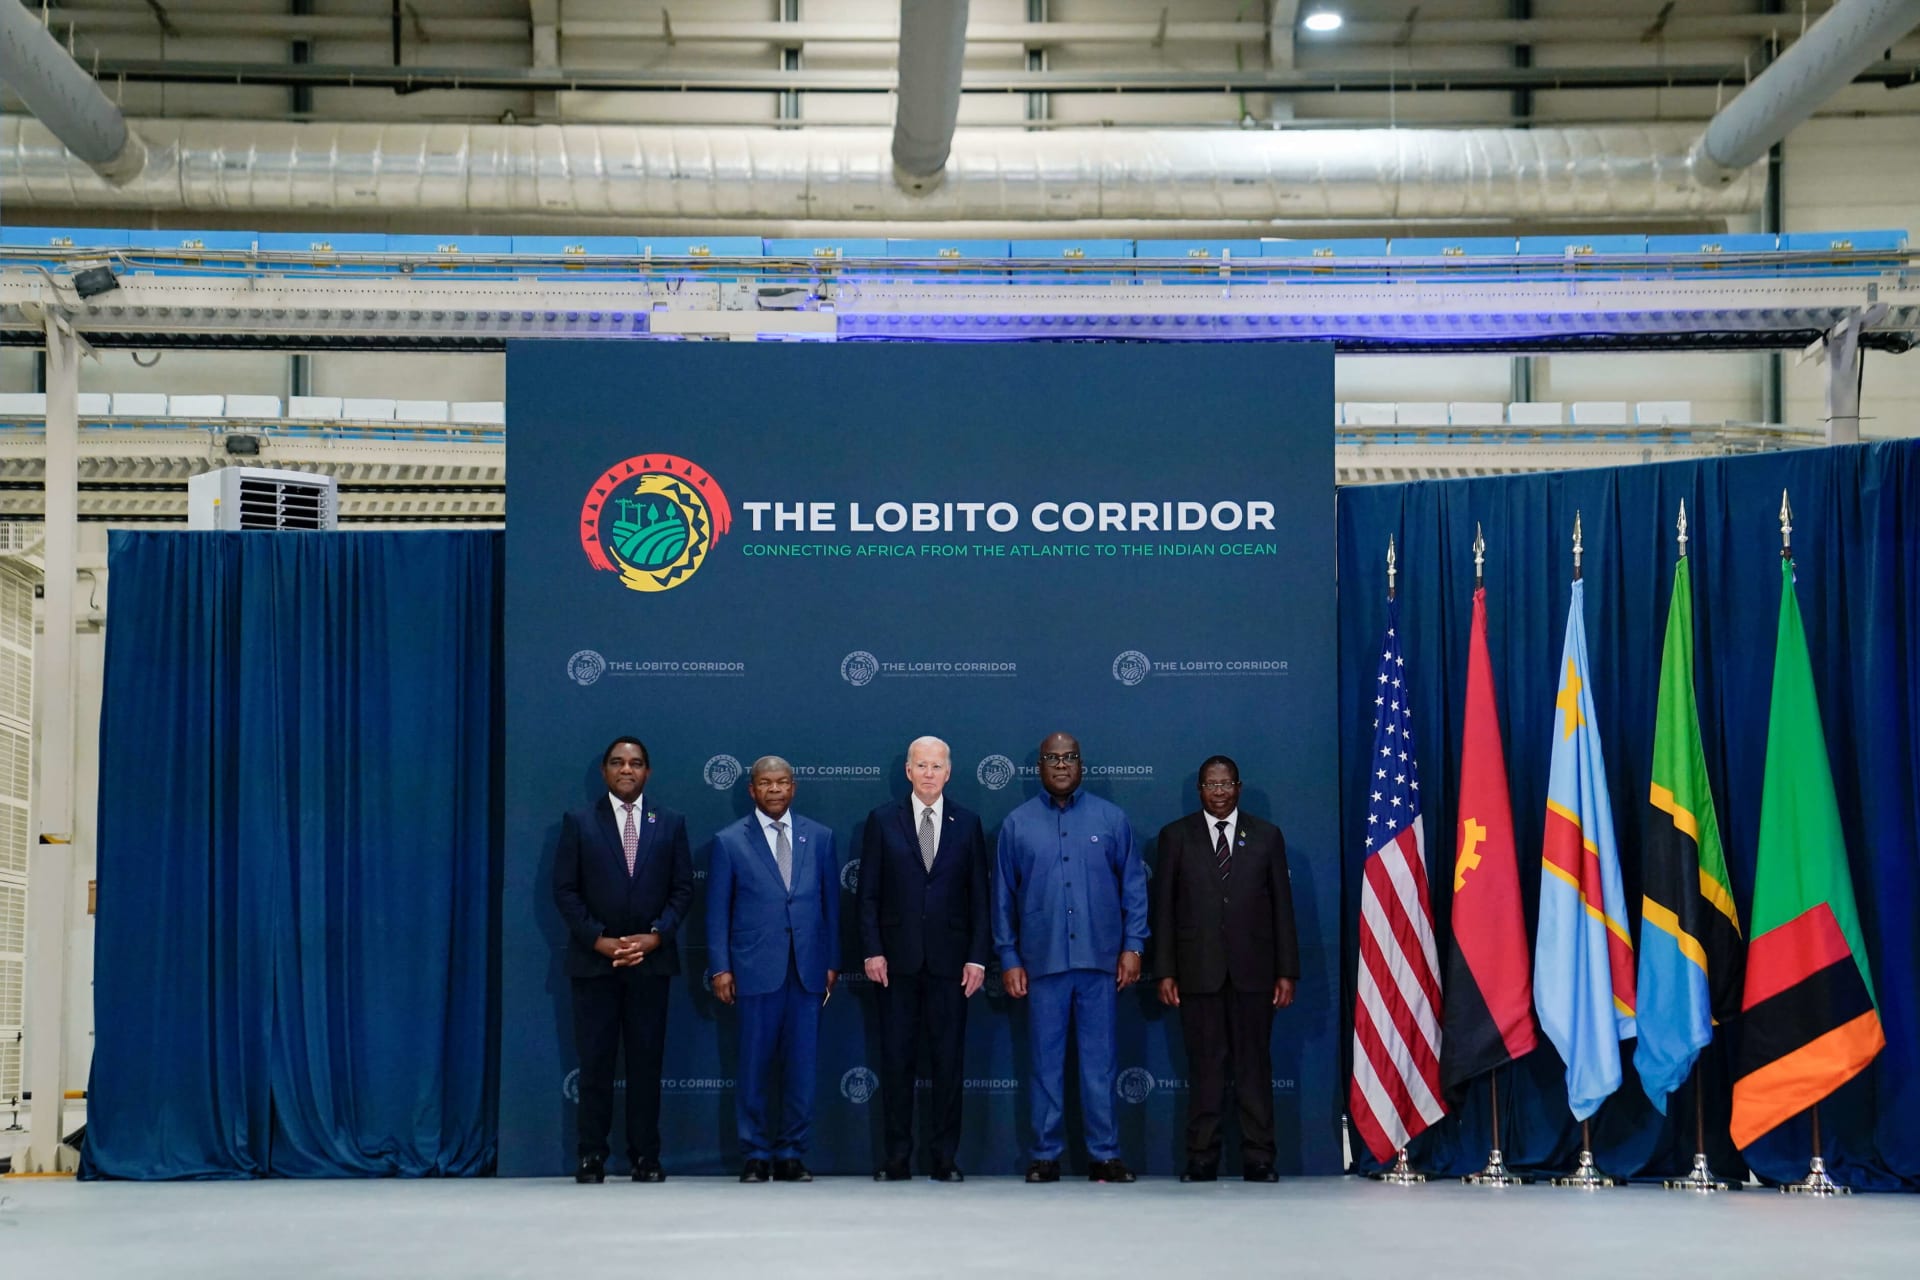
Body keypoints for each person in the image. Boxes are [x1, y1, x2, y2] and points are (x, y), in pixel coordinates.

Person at [993, 731, 1149, 1184]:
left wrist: (1133, 946)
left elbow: (1134, 891)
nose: (1061, 765)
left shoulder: (1112, 818)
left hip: (1100, 963)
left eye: (1069, 757)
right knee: (1045, 1064)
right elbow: (1002, 896)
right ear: (1039, 766)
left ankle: (1105, 1154)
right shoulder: (1017, 824)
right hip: (1041, 965)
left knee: (1100, 1064)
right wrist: (1009, 956)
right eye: (1052, 758)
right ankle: (1045, 1154)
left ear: (1081, 764)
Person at [551, 736, 695, 1184]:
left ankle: (645, 1157)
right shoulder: (579, 822)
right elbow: (565, 890)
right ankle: (591, 1154)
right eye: (617, 763)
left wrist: (654, 937)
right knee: (594, 1064)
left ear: (647, 772)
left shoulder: (670, 822)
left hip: (651, 964)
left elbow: (682, 889)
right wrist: (598, 939)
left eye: (635, 763)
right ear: (605, 772)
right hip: (596, 964)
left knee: (646, 1064)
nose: (626, 770)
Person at [1151, 755, 1299, 1183]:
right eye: (1210, 785)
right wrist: (1164, 971)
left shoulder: (1268, 837)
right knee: (1205, 1068)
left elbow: (1283, 911)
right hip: (1198, 975)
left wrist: (1286, 971)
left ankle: (1259, 1158)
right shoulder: (1175, 837)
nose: (1218, 792)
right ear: (1199, 789)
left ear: (1239, 786)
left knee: (1254, 1067)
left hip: (1256, 974)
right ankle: (1201, 1158)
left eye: (1226, 784)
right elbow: (1164, 912)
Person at [859, 735, 990, 1182]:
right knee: (896, 1064)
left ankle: (944, 1158)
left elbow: (980, 899)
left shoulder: (968, 823)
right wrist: (873, 949)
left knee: (948, 1065)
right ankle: (896, 1158)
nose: (929, 773)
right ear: (908, 772)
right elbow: (869, 895)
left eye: (937, 766)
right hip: (895, 965)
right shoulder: (881, 821)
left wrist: (977, 959)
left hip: (952, 967)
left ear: (948, 773)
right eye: (922, 765)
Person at [707, 756, 840, 1183]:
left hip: (807, 971)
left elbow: (831, 908)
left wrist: (832, 961)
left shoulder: (819, 837)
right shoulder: (729, 841)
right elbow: (716, 913)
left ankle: (791, 1153)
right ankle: (755, 1154)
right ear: (752, 790)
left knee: (801, 1069)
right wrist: (720, 967)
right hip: (753, 970)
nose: (775, 790)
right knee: (753, 1066)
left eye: (782, 782)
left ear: (794, 787)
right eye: (766, 783)